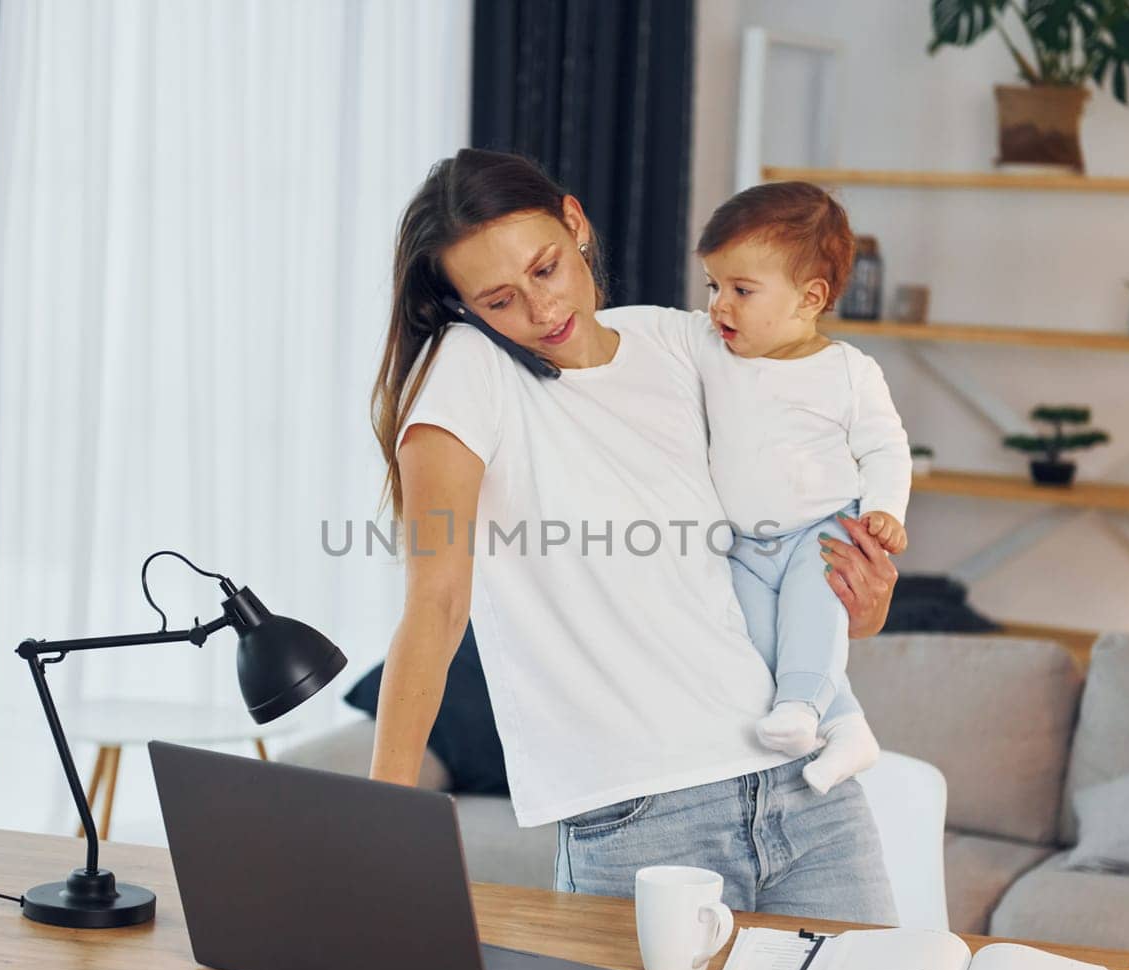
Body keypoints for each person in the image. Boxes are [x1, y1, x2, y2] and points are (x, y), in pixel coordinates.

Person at [367, 148, 900, 923]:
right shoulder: (470, 369)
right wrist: (379, 823)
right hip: (644, 824)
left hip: (807, 792)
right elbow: (437, 604)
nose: (540, 311)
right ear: (463, 309)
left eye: (546, 269)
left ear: (575, 224)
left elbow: (784, 520)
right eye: (499, 300)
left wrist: (863, 602)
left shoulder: (681, 344)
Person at [692, 181, 912, 796]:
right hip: (743, 544)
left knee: (812, 619)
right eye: (713, 286)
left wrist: (885, 512)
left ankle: (803, 711)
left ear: (809, 298)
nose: (718, 306)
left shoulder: (847, 372)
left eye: (741, 290)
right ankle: (845, 724)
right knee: (758, 637)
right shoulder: (713, 353)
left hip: (823, 530)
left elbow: (886, 448)